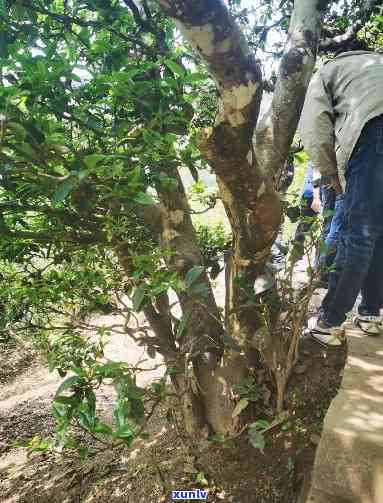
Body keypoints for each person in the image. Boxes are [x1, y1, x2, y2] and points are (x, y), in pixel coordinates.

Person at [300, 46, 383, 346]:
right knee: (377, 232)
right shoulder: (375, 64)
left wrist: (328, 173)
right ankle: (371, 311)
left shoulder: (326, 72)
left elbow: (315, 126)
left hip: (375, 131)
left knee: (357, 234)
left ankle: (330, 320)